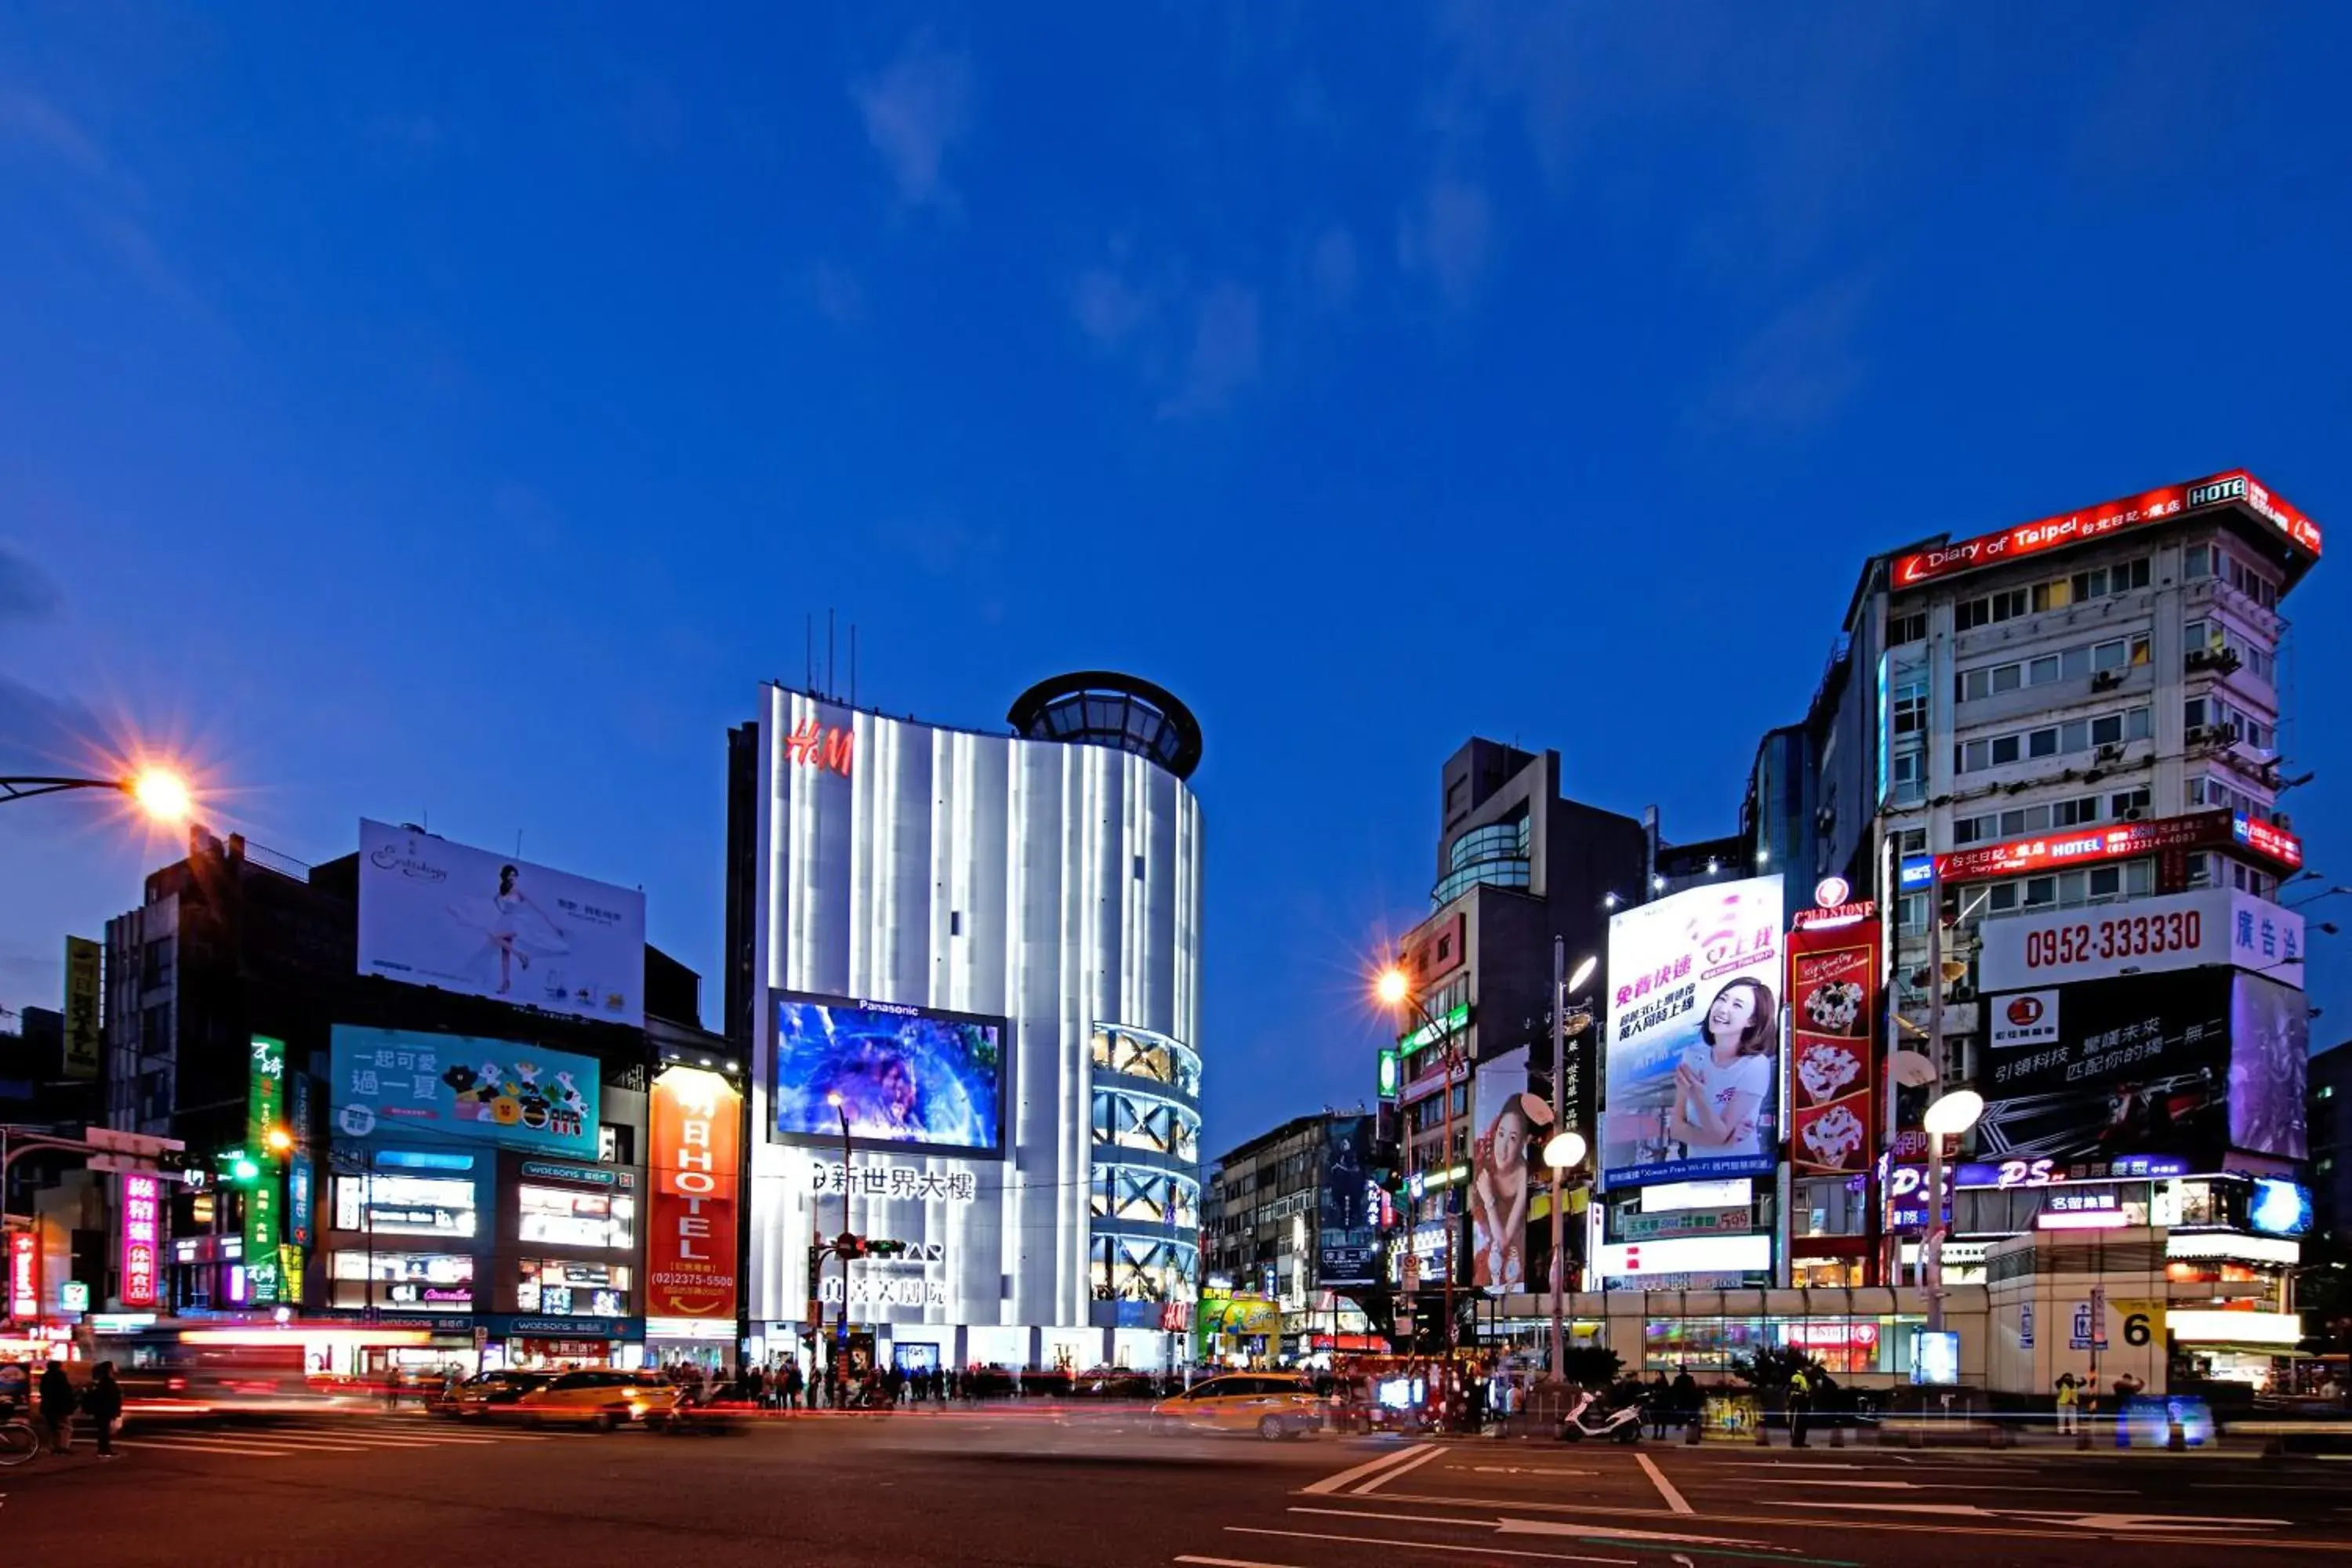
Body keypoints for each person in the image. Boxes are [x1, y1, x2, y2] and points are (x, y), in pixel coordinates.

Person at [1669, 978, 1778, 1160]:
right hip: (1695, 1171)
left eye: (1737, 1005)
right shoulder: (1692, 1056)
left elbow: (1720, 1133)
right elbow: (1676, 1128)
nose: (1723, 1009)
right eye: (1722, 999)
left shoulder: (1756, 1064)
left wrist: (1697, 1097)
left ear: (1751, 1020)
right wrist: (1723, 1141)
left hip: (1741, 1170)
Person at [1469, 1097, 1533, 1289]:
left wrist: (1489, 1199)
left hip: (1513, 1262)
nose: (1502, 1148)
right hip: (1487, 1256)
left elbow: (1503, 1241)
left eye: (1513, 1139)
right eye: (1501, 1134)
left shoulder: (1523, 1174)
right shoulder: (1484, 1164)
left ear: (1524, 1142)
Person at [82, 1363, 123, 1460]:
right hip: (106, 1410)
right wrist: (116, 1411)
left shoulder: (102, 1383)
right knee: (104, 1431)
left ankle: (104, 1449)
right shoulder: (108, 1383)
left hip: (102, 1410)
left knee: (104, 1430)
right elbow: (113, 1398)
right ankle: (104, 1449)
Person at [38, 1360, 76, 1454]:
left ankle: (54, 1447)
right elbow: (66, 1392)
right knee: (65, 1427)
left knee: (52, 1427)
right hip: (60, 1406)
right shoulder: (61, 1376)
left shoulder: (45, 1376)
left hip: (48, 1407)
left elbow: (42, 1391)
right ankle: (63, 1447)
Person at [1786, 1363, 1813, 1449]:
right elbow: (1795, 1387)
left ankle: (1801, 1441)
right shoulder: (1796, 1376)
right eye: (1807, 1367)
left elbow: (1807, 1389)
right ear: (1802, 1367)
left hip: (1803, 1401)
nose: (1809, 1369)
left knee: (1803, 1422)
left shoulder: (1804, 1377)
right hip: (1797, 1400)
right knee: (1796, 1421)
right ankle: (1795, 1440)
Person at [1671, 1365, 1702, 1437]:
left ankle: (1679, 1424)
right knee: (1690, 1413)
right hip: (1689, 1398)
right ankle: (1690, 1423)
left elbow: (1674, 1389)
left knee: (1679, 1412)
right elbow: (1693, 1388)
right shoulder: (1690, 1379)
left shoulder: (1678, 1379)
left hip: (1680, 1398)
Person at [2054, 1372, 2082, 1436]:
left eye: (2069, 1378)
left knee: (2073, 1418)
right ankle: (2061, 1432)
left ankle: (2074, 1432)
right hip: (2062, 1403)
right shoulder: (2061, 1383)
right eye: (2067, 1378)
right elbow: (2056, 1383)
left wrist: (2084, 1379)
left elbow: (2083, 1383)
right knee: (2061, 1418)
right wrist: (2063, 1377)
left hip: (2072, 1403)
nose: (2068, 1379)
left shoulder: (2075, 1384)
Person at [1647, 1371, 1672, 1439]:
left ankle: (1663, 1434)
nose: (1656, 1376)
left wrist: (1656, 1394)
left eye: (1657, 1374)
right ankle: (1656, 1434)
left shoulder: (1664, 1383)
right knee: (1656, 1420)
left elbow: (1663, 1393)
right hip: (1657, 1405)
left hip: (1663, 1405)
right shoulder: (1657, 1383)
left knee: (1663, 1420)